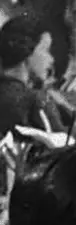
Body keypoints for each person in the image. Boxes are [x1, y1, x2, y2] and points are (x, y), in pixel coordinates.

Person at [0, 13, 64, 141]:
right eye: (46, 50)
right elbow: (66, 144)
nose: (51, 59)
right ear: (27, 51)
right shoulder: (36, 101)